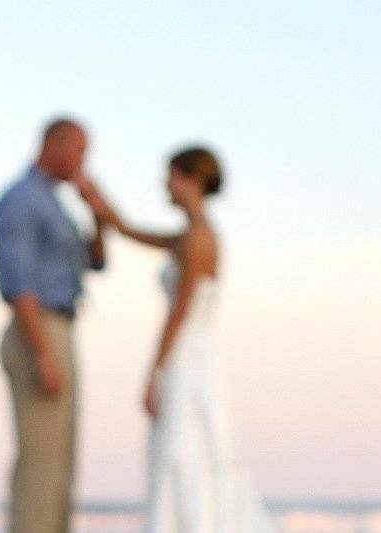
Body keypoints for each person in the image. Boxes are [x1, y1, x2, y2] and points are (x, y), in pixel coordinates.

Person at [81, 147, 276, 532]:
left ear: (191, 179)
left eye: (170, 175)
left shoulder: (198, 239)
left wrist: (154, 373)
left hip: (187, 361)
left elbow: (179, 315)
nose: (164, 184)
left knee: (184, 453)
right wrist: (96, 196)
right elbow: (127, 229)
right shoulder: (190, 235)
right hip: (190, 358)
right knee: (187, 452)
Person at [0, 118, 107, 533]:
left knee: (61, 462)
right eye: (79, 151)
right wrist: (41, 350)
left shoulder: (59, 203)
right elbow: (19, 281)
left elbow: (96, 262)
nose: (83, 162)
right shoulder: (23, 200)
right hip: (36, 328)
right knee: (41, 461)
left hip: (60, 328)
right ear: (54, 146)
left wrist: (97, 211)